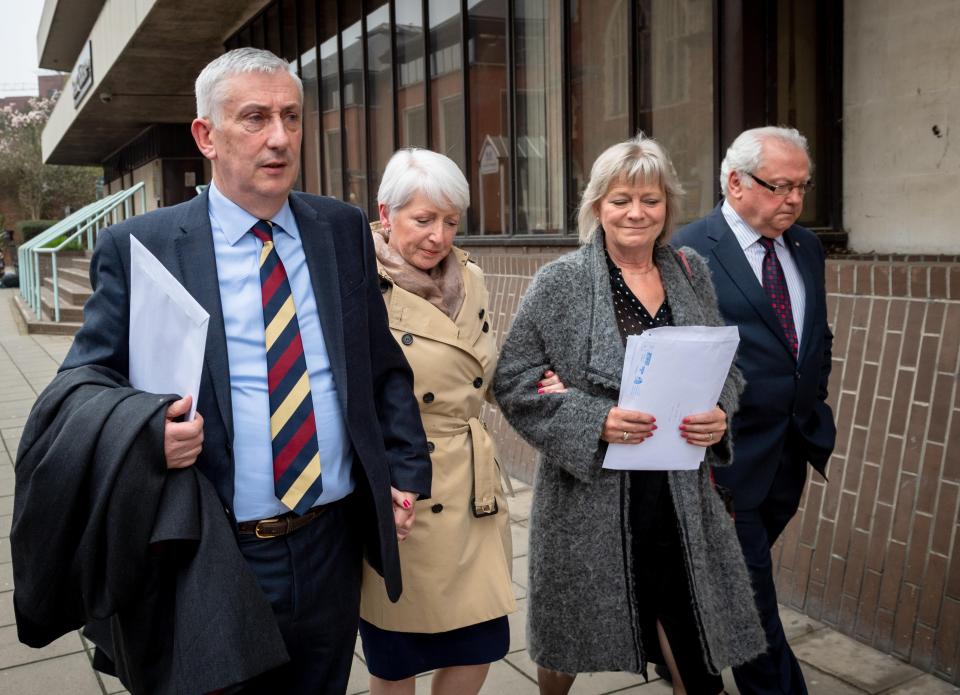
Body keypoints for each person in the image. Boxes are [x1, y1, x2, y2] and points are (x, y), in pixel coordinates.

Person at [53, 48, 431, 693]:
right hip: (214, 551)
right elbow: (80, 386)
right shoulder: (144, 247)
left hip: (330, 542)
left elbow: (380, 365)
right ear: (206, 135)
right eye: (254, 118)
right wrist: (146, 431)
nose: (279, 137)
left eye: (291, 116)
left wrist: (403, 470)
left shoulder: (339, 230)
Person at [492, 134, 765, 695]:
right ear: (597, 206)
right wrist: (593, 420)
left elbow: (725, 367)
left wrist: (719, 412)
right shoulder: (561, 282)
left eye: (650, 199)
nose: (636, 213)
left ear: (668, 206)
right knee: (569, 633)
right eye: (620, 200)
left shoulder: (690, 270)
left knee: (686, 621)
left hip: (679, 490)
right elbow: (513, 381)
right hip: (589, 495)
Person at [672, 126, 836, 695]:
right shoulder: (689, 250)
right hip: (722, 464)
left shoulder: (806, 246)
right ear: (735, 182)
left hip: (790, 450)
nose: (793, 199)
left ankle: (687, 649)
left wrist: (812, 395)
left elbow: (815, 334)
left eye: (802, 188)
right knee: (750, 606)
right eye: (780, 186)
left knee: (732, 583)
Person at [357, 148, 515, 695]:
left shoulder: (469, 276)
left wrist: (538, 384)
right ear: (385, 212)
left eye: (450, 221)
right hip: (405, 486)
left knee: (482, 641)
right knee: (397, 655)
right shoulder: (359, 287)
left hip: (471, 486)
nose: (438, 236)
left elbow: (483, 370)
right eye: (423, 219)